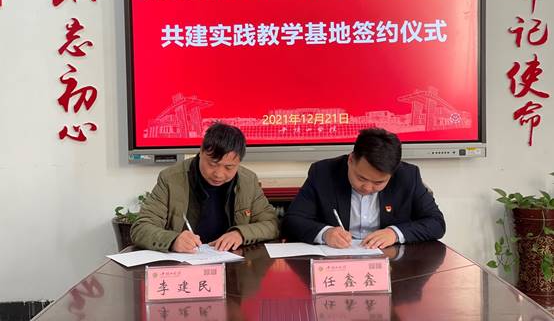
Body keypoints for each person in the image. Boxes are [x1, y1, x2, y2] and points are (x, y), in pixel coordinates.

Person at [281, 127, 445, 249]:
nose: (367, 187)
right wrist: (326, 233)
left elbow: (436, 223)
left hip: (390, 263)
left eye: (378, 183)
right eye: (361, 178)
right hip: (337, 262)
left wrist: (394, 233)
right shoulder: (323, 173)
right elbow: (292, 220)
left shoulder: (408, 176)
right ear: (351, 160)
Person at [131, 122, 279, 252]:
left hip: (233, 266)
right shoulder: (171, 179)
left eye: (229, 167)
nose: (219, 174)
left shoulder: (248, 181)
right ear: (201, 152)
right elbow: (141, 227)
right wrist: (173, 240)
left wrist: (240, 234)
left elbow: (272, 224)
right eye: (212, 164)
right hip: (185, 265)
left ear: (239, 162)